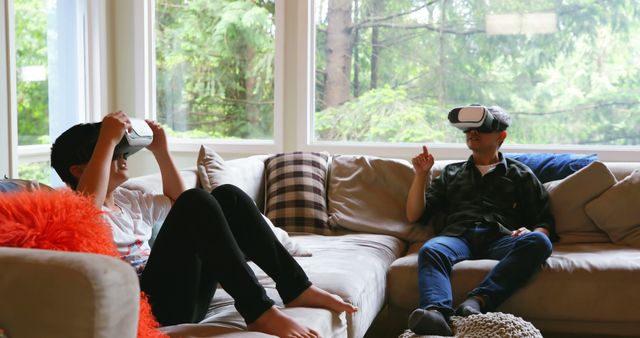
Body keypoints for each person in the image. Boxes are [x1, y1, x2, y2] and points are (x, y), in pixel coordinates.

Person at [51, 111, 357, 338]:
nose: (122, 155)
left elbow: (184, 203)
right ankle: (259, 310)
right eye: (111, 151)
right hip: (145, 307)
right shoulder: (73, 210)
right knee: (198, 201)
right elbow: (87, 212)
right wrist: (106, 137)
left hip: (184, 296)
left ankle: (296, 287)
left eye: (121, 148)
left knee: (228, 197)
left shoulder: (130, 200)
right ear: (78, 170)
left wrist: (161, 151)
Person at [405, 105, 555, 336]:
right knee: (431, 249)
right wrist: (421, 174)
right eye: (468, 130)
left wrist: (532, 231)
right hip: (458, 236)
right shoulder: (451, 172)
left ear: (501, 136)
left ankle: (479, 300)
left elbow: (544, 221)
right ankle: (435, 314)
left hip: (501, 238)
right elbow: (414, 215)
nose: (472, 133)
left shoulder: (521, 174)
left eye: (482, 129)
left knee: (539, 242)